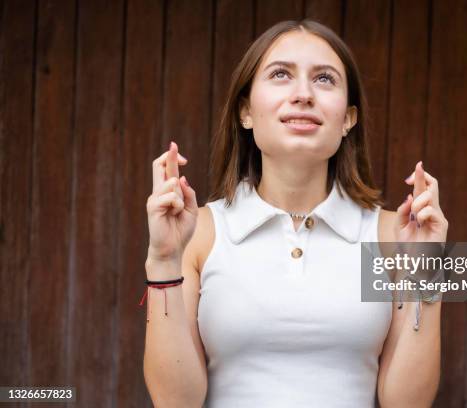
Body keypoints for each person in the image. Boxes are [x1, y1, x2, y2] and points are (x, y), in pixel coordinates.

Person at [143, 19, 448, 407]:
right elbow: (175, 402)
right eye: (281, 74)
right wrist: (164, 260)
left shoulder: (394, 235)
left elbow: (407, 404)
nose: (303, 94)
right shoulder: (200, 232)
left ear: (348, 120)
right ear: (245, 112)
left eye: (324, 80)